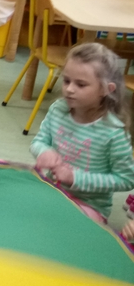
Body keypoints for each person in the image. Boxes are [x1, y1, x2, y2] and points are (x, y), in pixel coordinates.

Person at [31, 43, 134, 223]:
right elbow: (39, 141)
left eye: (81, 84)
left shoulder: (114, 132)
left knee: (68, 226)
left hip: (89, 205)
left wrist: (75, 178)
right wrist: (43, 151)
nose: (69, 89)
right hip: (52, 190)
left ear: (106, 90)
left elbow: (126, 179)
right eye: (66, 80)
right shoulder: (58, 109)